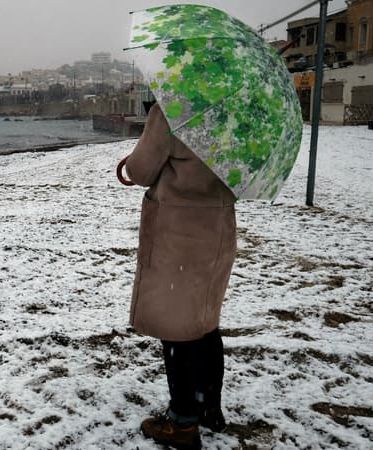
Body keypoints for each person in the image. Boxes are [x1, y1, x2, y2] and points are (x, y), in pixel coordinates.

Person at [121, 103, 237, 450]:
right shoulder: (237, 114)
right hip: (216, 229)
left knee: (178, 329)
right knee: (203, 322)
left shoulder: (176, 109)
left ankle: (183, 421)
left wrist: (129, 163)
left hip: (178, 234)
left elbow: (140, 170)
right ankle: (208, 407)